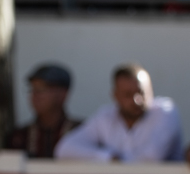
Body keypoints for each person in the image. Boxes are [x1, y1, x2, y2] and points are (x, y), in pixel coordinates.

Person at [55, 64, 183, 162]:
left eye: (141, 93)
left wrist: (116, 161)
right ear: (115, 96)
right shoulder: (105, 117)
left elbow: (150, 158)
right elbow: (65, 150)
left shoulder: (165, 112)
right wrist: (108, 157)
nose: (136, 100)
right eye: (128, 95)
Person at [5, 64, 80, 158]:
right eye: (32, 89)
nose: (35, 95)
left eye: (42, 89)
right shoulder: (19, 137)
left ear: (63, 94)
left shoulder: (81, 132)